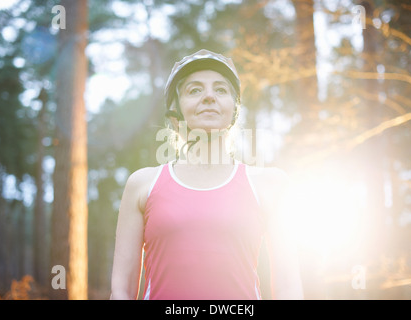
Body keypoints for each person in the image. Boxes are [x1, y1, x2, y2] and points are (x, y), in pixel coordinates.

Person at [110, 49, 304, 300]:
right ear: (175, 109)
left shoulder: (271, 184)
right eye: (195, 90)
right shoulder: (142, 184)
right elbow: (121, 291)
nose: (210, 96)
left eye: (221, 90)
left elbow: (289, 288)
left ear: (234, 109)